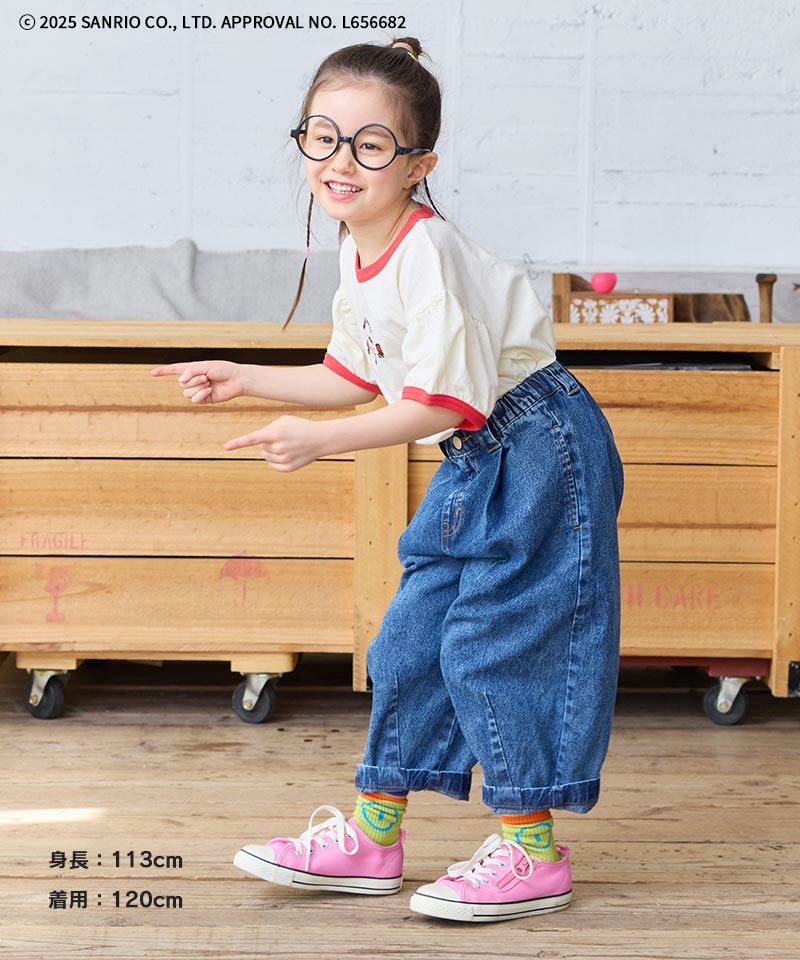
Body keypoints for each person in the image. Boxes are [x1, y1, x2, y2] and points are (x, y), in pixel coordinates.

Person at [151, 35, 625, 924]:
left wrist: (320, 442)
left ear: (417, 165)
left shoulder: (427, 250)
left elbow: (443, 401)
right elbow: (356, 373)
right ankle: (374, 839)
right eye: (322, 137)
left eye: (370, 145)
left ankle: (533, 854)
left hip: (539, 448)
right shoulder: (360, 247)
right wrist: (245, 376)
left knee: (495, 642)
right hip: (480, 452)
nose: (340, 161)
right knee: (410, 640)